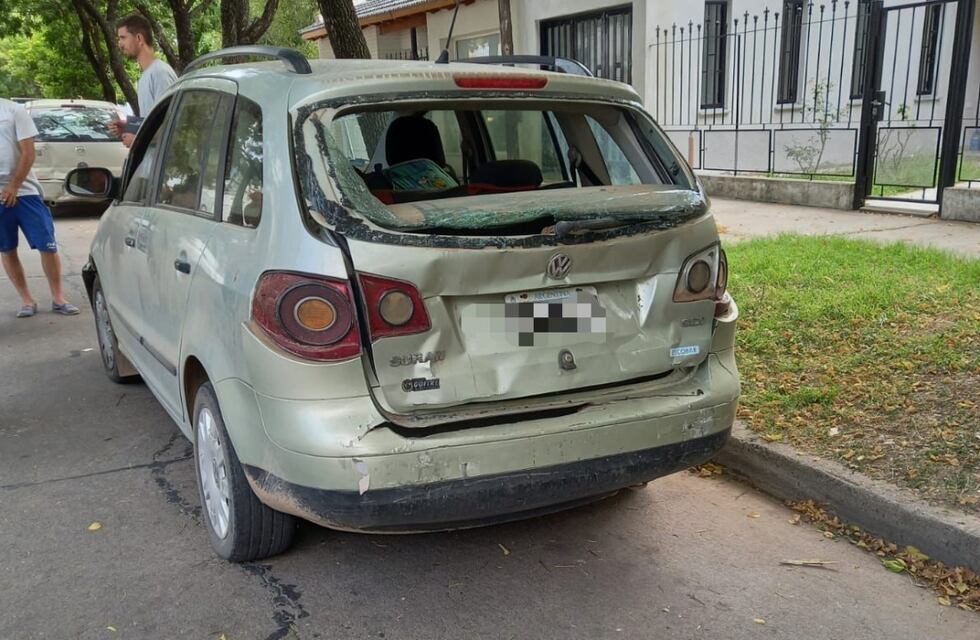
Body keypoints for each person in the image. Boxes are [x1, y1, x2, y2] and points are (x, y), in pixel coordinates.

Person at [0, 98, 79, 318]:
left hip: (25, 190)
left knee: (47, 245)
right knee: (6, 248)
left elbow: (28, 153)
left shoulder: (14, 111)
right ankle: (26, 300)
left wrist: (14, 186)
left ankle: (58, 298)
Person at [108, 14, 177, 148]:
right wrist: (128, 128)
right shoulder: (146, 76)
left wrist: (137, 140)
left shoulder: (160, 72)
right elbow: (152, 122)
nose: (120, 44)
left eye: (123, 37)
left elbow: (169, 124)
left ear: (139, 38)